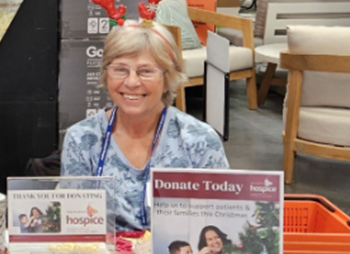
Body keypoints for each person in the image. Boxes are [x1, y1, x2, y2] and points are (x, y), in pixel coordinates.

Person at [62, 22, 229, 231]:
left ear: (168, 78)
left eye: (146, 71)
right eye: (120, 70)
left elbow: (221, 222)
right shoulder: (81, 139)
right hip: (103, 251)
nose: (132, 82)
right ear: (106, 75)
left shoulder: (200, 140)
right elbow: (76, 227)